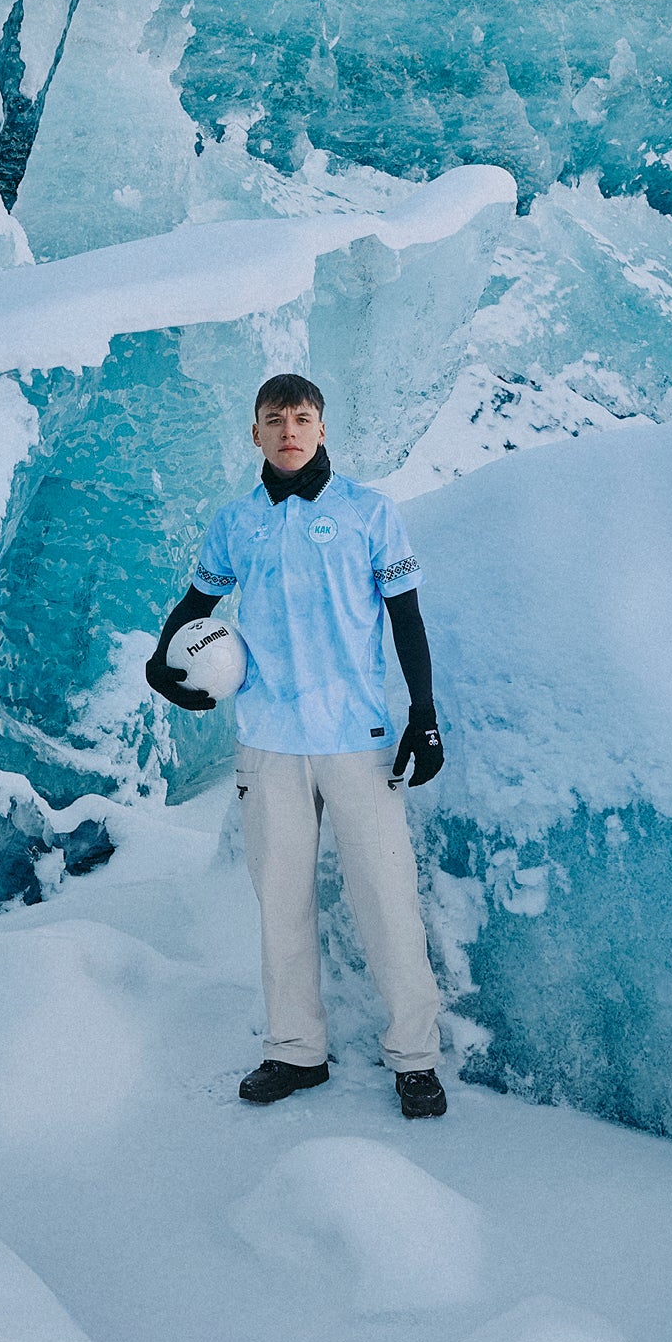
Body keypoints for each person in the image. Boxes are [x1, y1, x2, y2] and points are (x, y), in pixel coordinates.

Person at [146, 373, 449, 1115]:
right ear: (255, 433)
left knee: (387, 898)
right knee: (281, 902)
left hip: (357, 738)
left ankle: (414, 1057)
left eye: (303, 419)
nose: (289, 431)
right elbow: (197, 606)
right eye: (275, 420)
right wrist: (160, 664)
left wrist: (425, 713)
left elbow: (406, 620)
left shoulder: (369, 514)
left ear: (322, 431)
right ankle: (295, 1051)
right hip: (269, 741)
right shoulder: (235, 523)